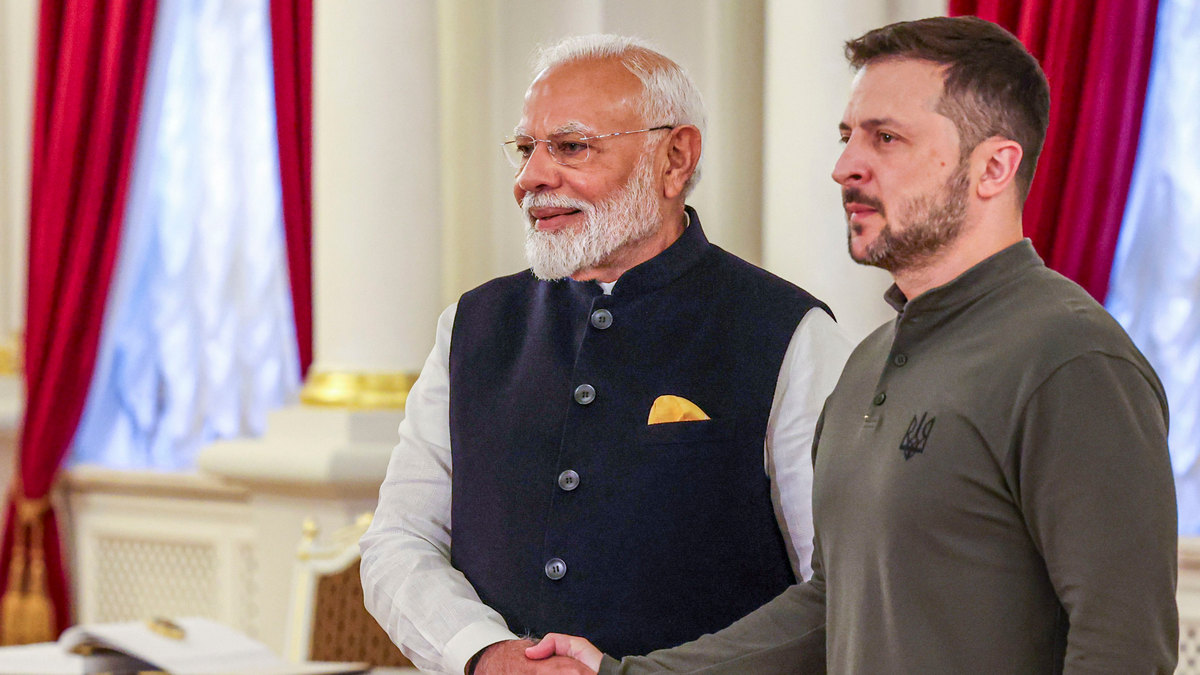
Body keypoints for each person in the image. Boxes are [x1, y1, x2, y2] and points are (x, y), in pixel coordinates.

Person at [528, 16, 1178, 673]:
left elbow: (1124, 648)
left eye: (886, 138)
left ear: (993, 167)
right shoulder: (868, 362)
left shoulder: (1072, 359)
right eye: (847, 137)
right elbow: (829, 610)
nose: (845, 167)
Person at [358, 34, 852, 674]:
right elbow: (399, 539)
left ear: (675, 158)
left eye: (570, 147)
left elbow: (837, 586)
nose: (531, 178)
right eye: (525, 149)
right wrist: (485, 654)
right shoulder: (472, 326)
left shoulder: (790, 332)